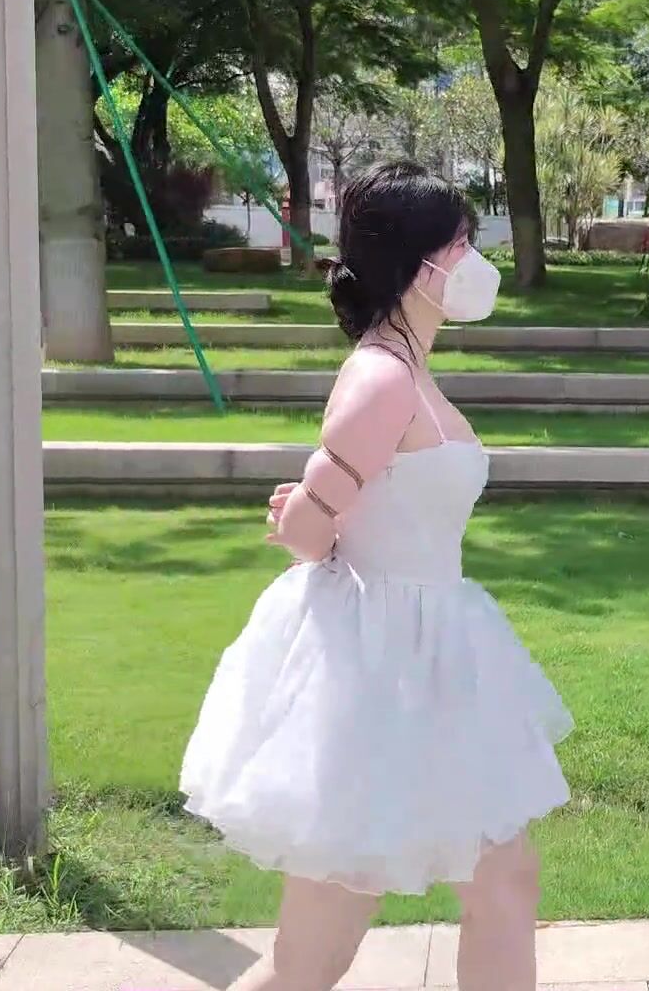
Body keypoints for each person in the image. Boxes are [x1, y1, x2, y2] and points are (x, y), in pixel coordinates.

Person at [181, 162, 573, 991]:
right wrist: (306, 518)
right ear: (420, 264)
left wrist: (318, 513)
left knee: (505, 882)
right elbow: (306, 529)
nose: (474, 260)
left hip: (432, 657)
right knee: (314, 954)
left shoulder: (408, 370)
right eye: (461, 243)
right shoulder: (384, 377)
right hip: (374, 672)